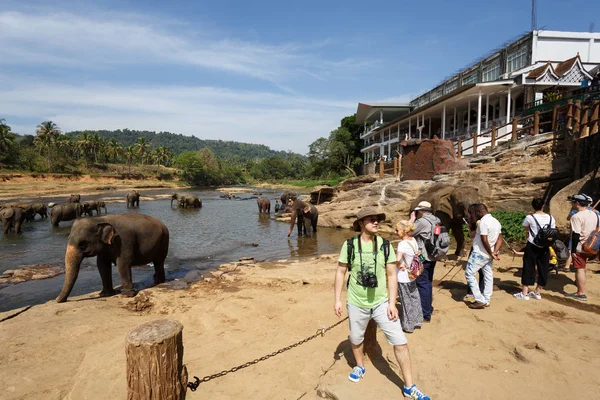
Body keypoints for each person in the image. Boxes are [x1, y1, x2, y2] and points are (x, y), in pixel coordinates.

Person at [334, 207, 430, 400]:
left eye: (377, 219)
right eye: (370, 219)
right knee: (356, 337)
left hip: (380, 303)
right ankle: (360, 366)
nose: (376, 222)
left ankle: (409, 386)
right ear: (361, 223)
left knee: (400, 341)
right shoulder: (350, 245)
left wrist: (392, 303)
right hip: (356, 301)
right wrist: (337, 299)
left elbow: (392, 274)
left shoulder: (385, 245)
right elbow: (340, 271)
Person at [513, 197, 556, 301]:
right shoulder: (551, 217)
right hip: (545, 246)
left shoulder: (529, 217)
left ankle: (524, 293)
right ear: (543, 206)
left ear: (533, 206)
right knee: (544, 268)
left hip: (532, 245)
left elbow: (526, 228)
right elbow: (553, 230)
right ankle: (537, 292)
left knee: (528, 267)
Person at [464, 204, 503, 309]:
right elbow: (500, 239)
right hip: (489, 254)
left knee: (469, 273)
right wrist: (495, 252)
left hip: (480, 253)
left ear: (479, 212)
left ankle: (479, 299)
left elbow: (484, 239)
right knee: (488, 275)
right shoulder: (496, 221)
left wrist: (491, 252)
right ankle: (486, 299)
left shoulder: (483, 222)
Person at [409, 201, 440, 322]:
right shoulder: (436, 219)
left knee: (422, 283)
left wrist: (412, 219)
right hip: (433, 255)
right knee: (427, 282)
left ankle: (425, 313)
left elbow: (407, 232)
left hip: (424, 256)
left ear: (420, 211)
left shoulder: (421, 222)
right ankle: (428, 307)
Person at [565, 194, 598, 301]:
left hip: (581, 246)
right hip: (592, 245)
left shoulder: (577, 216)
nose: (572, 204)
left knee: (579, 269)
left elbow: (576, 234)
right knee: (583, 268)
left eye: (573, 202)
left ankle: (581, 293)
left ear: (577, 203)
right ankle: (580, 289)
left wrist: (573, 250)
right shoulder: (595, 214)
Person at [395, 220, 424, 333]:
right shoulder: (413, 240)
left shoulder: (402, 244)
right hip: (413, 274)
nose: (395, 232)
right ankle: (417, 320)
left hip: (403, 276)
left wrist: (397, 265)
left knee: (406, 300)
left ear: (404, 231)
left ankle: (408, 325)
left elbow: (398, 259)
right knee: (414, 297)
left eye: (397, 230)